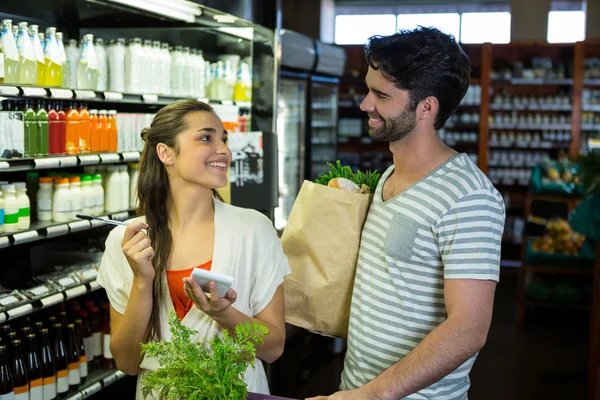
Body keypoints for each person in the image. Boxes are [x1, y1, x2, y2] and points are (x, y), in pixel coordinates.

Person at [308, 27, 505, 400]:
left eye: (381, 95)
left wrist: (372, 395)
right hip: (356, 390)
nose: (365, 104)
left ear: (426, 107)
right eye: (369, 89)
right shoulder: (389, 174)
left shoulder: (468, 196)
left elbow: (469, 329)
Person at [96, 100, 290, 399]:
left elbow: (274, 347)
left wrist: (224, 314)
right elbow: (127, 361)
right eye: (206, 137)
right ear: (166, 153)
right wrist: (142, 280)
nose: (224, 150)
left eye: (224, 139)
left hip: (236, 391)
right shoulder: (128, 241)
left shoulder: (254, 229)